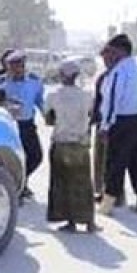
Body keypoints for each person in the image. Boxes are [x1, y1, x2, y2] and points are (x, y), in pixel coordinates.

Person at [96, 34, 137, 216]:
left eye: (111, 52)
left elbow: (112, 101)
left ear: (121, 51)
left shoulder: (118, 71)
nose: (108, 56)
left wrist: (105, 126)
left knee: (116, 161)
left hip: (123, 120)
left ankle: (108, 203)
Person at [44, 60, 99, 233]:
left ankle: (70, 222)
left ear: (61, 76)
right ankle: (89, 221)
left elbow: (49, 120)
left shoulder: (52, 96)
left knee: (62, 183)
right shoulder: (86, 96)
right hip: (80, 145)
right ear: (76, 76)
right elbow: (92, 115)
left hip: (60, 143)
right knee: (83, 184)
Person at [0, 50, 46, 201]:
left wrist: (48, 116)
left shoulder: (34, 82)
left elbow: (40, 101)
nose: (16, 69)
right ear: (7, 66)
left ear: (23, 65)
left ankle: (20, 181)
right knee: (11, 158)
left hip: (26, 125)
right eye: (12, 66)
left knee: (35, 156)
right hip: (8, 125)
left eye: (19, 65)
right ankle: (16, 188)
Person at [91, 44, 117, 203]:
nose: (106, 61)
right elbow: (98, 102)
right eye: (104, 58)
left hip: (115, 123)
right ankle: (100, 189)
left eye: (109, 58)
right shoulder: (102, 78)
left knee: (112, 159)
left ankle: (113, 192)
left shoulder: (120, 75)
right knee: (100, 159)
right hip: (102, 121)